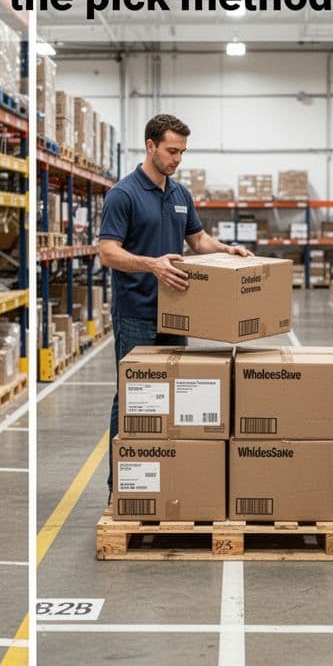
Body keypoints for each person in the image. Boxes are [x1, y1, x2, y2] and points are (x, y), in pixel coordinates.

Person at [97, 114, 251, 490]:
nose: (177, 158)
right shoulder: (124, 194)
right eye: (171, 150)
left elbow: (198, 240)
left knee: (173, 399)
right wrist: (152, 265)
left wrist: (225, 249)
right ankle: (121, 485)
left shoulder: (180, 194)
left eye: (182, 152)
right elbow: (107, 252)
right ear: (150, 146)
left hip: (177, 315)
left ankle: (163, 478)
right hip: (137, 315)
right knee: (135, 396)